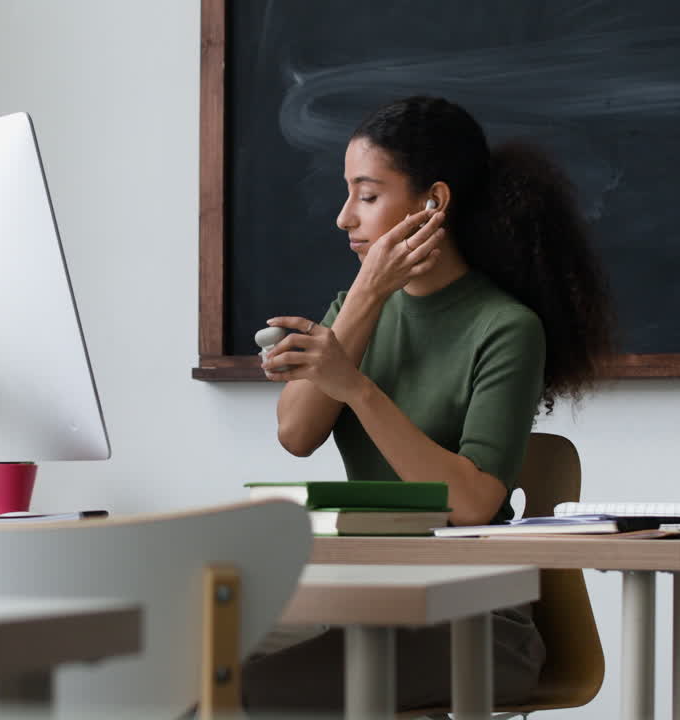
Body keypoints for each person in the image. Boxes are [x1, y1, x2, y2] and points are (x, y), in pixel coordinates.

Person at [244, 95, 616, 713]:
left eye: (366, 195)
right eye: (347, 194)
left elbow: (473, 504)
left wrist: (356, 388)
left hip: (475, 621)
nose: (343, 218)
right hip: (364, 605)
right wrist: (368, 292)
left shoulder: (506, 327)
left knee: (241, 692)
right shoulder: (355, 310)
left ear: (431, 203)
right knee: (181, 661)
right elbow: (297, 433)